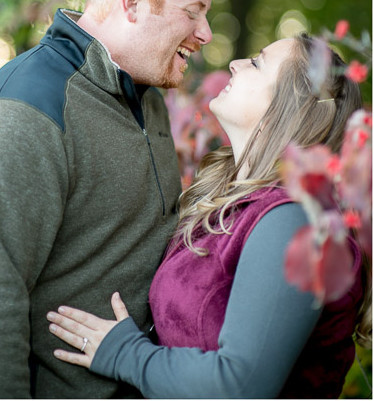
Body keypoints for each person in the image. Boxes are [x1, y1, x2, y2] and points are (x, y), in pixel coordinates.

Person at [0, 0, 215, 398]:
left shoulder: (144, 94)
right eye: (192, 14)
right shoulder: (26, 109)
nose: (205, 34)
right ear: (132, 3)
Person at [46, 34, 370, 398]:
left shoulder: (294, 222)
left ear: (290, 106)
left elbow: (240, 387)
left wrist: (125, 354)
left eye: (257, 62)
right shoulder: (236, 206)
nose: (235, 63)